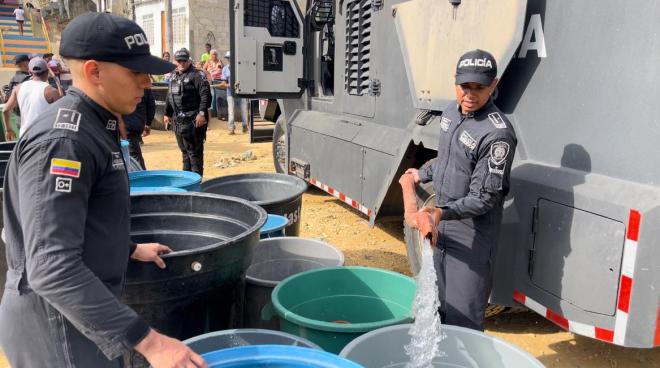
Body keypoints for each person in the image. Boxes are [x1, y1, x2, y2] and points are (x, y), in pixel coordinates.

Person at [0, 13, 207, 368]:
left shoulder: (96, 124)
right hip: (57, 327)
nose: (146, 81)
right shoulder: (64, 141)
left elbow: (80, 218)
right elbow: (51, 266)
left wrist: (129, 248)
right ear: (94, 72)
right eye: (134, 71)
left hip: (79, 318)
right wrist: (150, 342)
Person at [403, 49, 517, 331]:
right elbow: (448, 159)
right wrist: (422, 173)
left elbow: (484, 198)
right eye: (465, 86)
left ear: (494, 85)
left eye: (480, 87)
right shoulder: (452, 112)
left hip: (472, 235)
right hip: (441, 222)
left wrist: (440, 213)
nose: (470, 94)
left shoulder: (497, 134)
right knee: (438, 306)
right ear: (456, 82)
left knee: (463, 317)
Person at [165, 48, 211, 176]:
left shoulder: (197, 75)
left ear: (189, 60)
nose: (182, 63)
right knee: (185, 152)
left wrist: (201, 113)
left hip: (194, 121)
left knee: (194, 154)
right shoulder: (174, 75)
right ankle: (187, 181)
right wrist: (167, 114)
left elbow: (206, 95)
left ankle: (197, 183)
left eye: (184, 60)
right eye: (179, 61)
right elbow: (170, 95)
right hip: (179, 122)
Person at [2, 57, 62, 140]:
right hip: (45, 138)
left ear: (30, 72)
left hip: (25, 137)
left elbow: (5, 110)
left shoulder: (18, 88)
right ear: (47, 72)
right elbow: (62, 110)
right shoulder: (51, 91)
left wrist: (8, 130)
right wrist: (56, 79)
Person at [122, 88, 155, 169]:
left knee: (134, 157)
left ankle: (143, 179)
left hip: (127, 126)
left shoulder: (120, 81)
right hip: (134, 125)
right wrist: (148, 123)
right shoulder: (144, 84)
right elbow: (151, 105)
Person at [219, 51, 248, 134]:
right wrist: (228, 85)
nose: (229, 60)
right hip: (230, 93)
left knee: (243, 111)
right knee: (231, 111)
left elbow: (245, 80)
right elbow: (224, 83)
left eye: (230, 58)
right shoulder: (225, 69)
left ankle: (245, 127)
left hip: (241, 92)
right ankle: (231, 128)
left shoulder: (241, 67)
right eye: (228, 58)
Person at [204, 49, 223, 116]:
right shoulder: (208, 61)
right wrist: (208, 74)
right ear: (211, 55)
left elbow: (222, 69)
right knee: (212, 96)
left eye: (215, 54)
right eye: (213, 54)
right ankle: (212, 113)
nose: (214, 55)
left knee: (219, 97)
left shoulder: (220, 61)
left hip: (218, 80)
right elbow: (203, 70)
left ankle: (219, 113)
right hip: (211, 81)